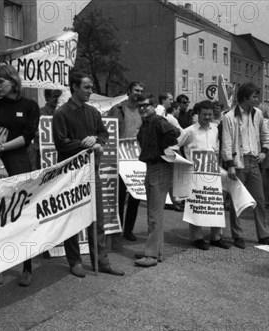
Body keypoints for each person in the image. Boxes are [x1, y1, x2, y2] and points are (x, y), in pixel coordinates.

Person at [52, 71, 124, 278]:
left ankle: (100, 261)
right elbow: (61, 143)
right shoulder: (62, 113)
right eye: (87, 87)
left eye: (91, 87)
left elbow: (103, 133)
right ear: (74, 87)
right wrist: (87, 145)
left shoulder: (93, 112)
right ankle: (74, 261)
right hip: (71, 174)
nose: (91, 91)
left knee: (98, 218)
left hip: (92, 172)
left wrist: (97, 141)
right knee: (73, 218)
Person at [0, 65, 40, 287]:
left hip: (19, 165)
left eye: (0, 82)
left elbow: (27, 136)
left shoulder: (30, 106)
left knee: (21, 215)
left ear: (13, 82)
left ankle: (27, 267)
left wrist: (1, 145)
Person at [221, 82, 269, 248]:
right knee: (236, 201)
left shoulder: (258, 114)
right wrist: (230, 164)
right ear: (244, 98)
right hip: (238, 162)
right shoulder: (229, 117)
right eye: (254, 96)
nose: (257, 100)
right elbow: (226, 143)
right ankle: (237, 235)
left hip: (253, 161)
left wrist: (264, 151)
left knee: (259, 200)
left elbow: (266, 134)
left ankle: (263, 235)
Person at [177, 100, 231, 250]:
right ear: (198, 114)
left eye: (210, 114)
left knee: (215, 205)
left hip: (212, 172)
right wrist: (183, 163)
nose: (208, 117)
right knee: (197, 205)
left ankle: (216, 237)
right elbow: (174, 146)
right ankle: (197, 238)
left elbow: (216, 148)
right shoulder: (189, 131)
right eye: (204, 114)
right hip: (195, 173)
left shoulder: (215, 129)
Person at [134, 95, 179, 267]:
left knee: (154, 214)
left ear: (153, 106)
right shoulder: (147, 123)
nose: (142, 109)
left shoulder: (158, 121)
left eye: (145, 105)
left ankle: (151, 255)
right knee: (155, 214)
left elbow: (175, 134)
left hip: (159, 167)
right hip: (152, 167)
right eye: (140, 106)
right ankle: (155, 251)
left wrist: (165, 149)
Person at [107, 81, 144, 241]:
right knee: (120, 196)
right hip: (120, 158)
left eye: (141, 90)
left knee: (136, 196)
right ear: (129, 91)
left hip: (137, 159)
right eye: (136, 90)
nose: (139, 93)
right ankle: (118, 229)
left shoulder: (144, 111)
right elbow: (107, 130)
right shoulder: (117, 109)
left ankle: (129, 229)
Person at [31, 89, 62, 170]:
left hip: (58, 154)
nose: (57, 99)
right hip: (41, 155)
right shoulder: (38, 113)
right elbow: (32, 132)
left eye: (59, 96)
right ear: (47, 97)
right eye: (55, 96)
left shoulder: (62, 113)